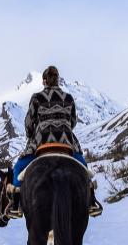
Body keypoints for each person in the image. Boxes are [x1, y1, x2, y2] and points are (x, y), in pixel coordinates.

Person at [6, 65, 102, 219]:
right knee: (83, 167)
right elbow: (73, 122)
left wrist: (31, 135)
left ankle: (16, 206)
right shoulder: (69, 98)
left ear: (44, 81)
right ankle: (91, 200)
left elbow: (29, 123)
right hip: (66, 142)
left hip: (41, 142)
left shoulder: (36, 97)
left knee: (18, 169)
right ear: (58, 80)